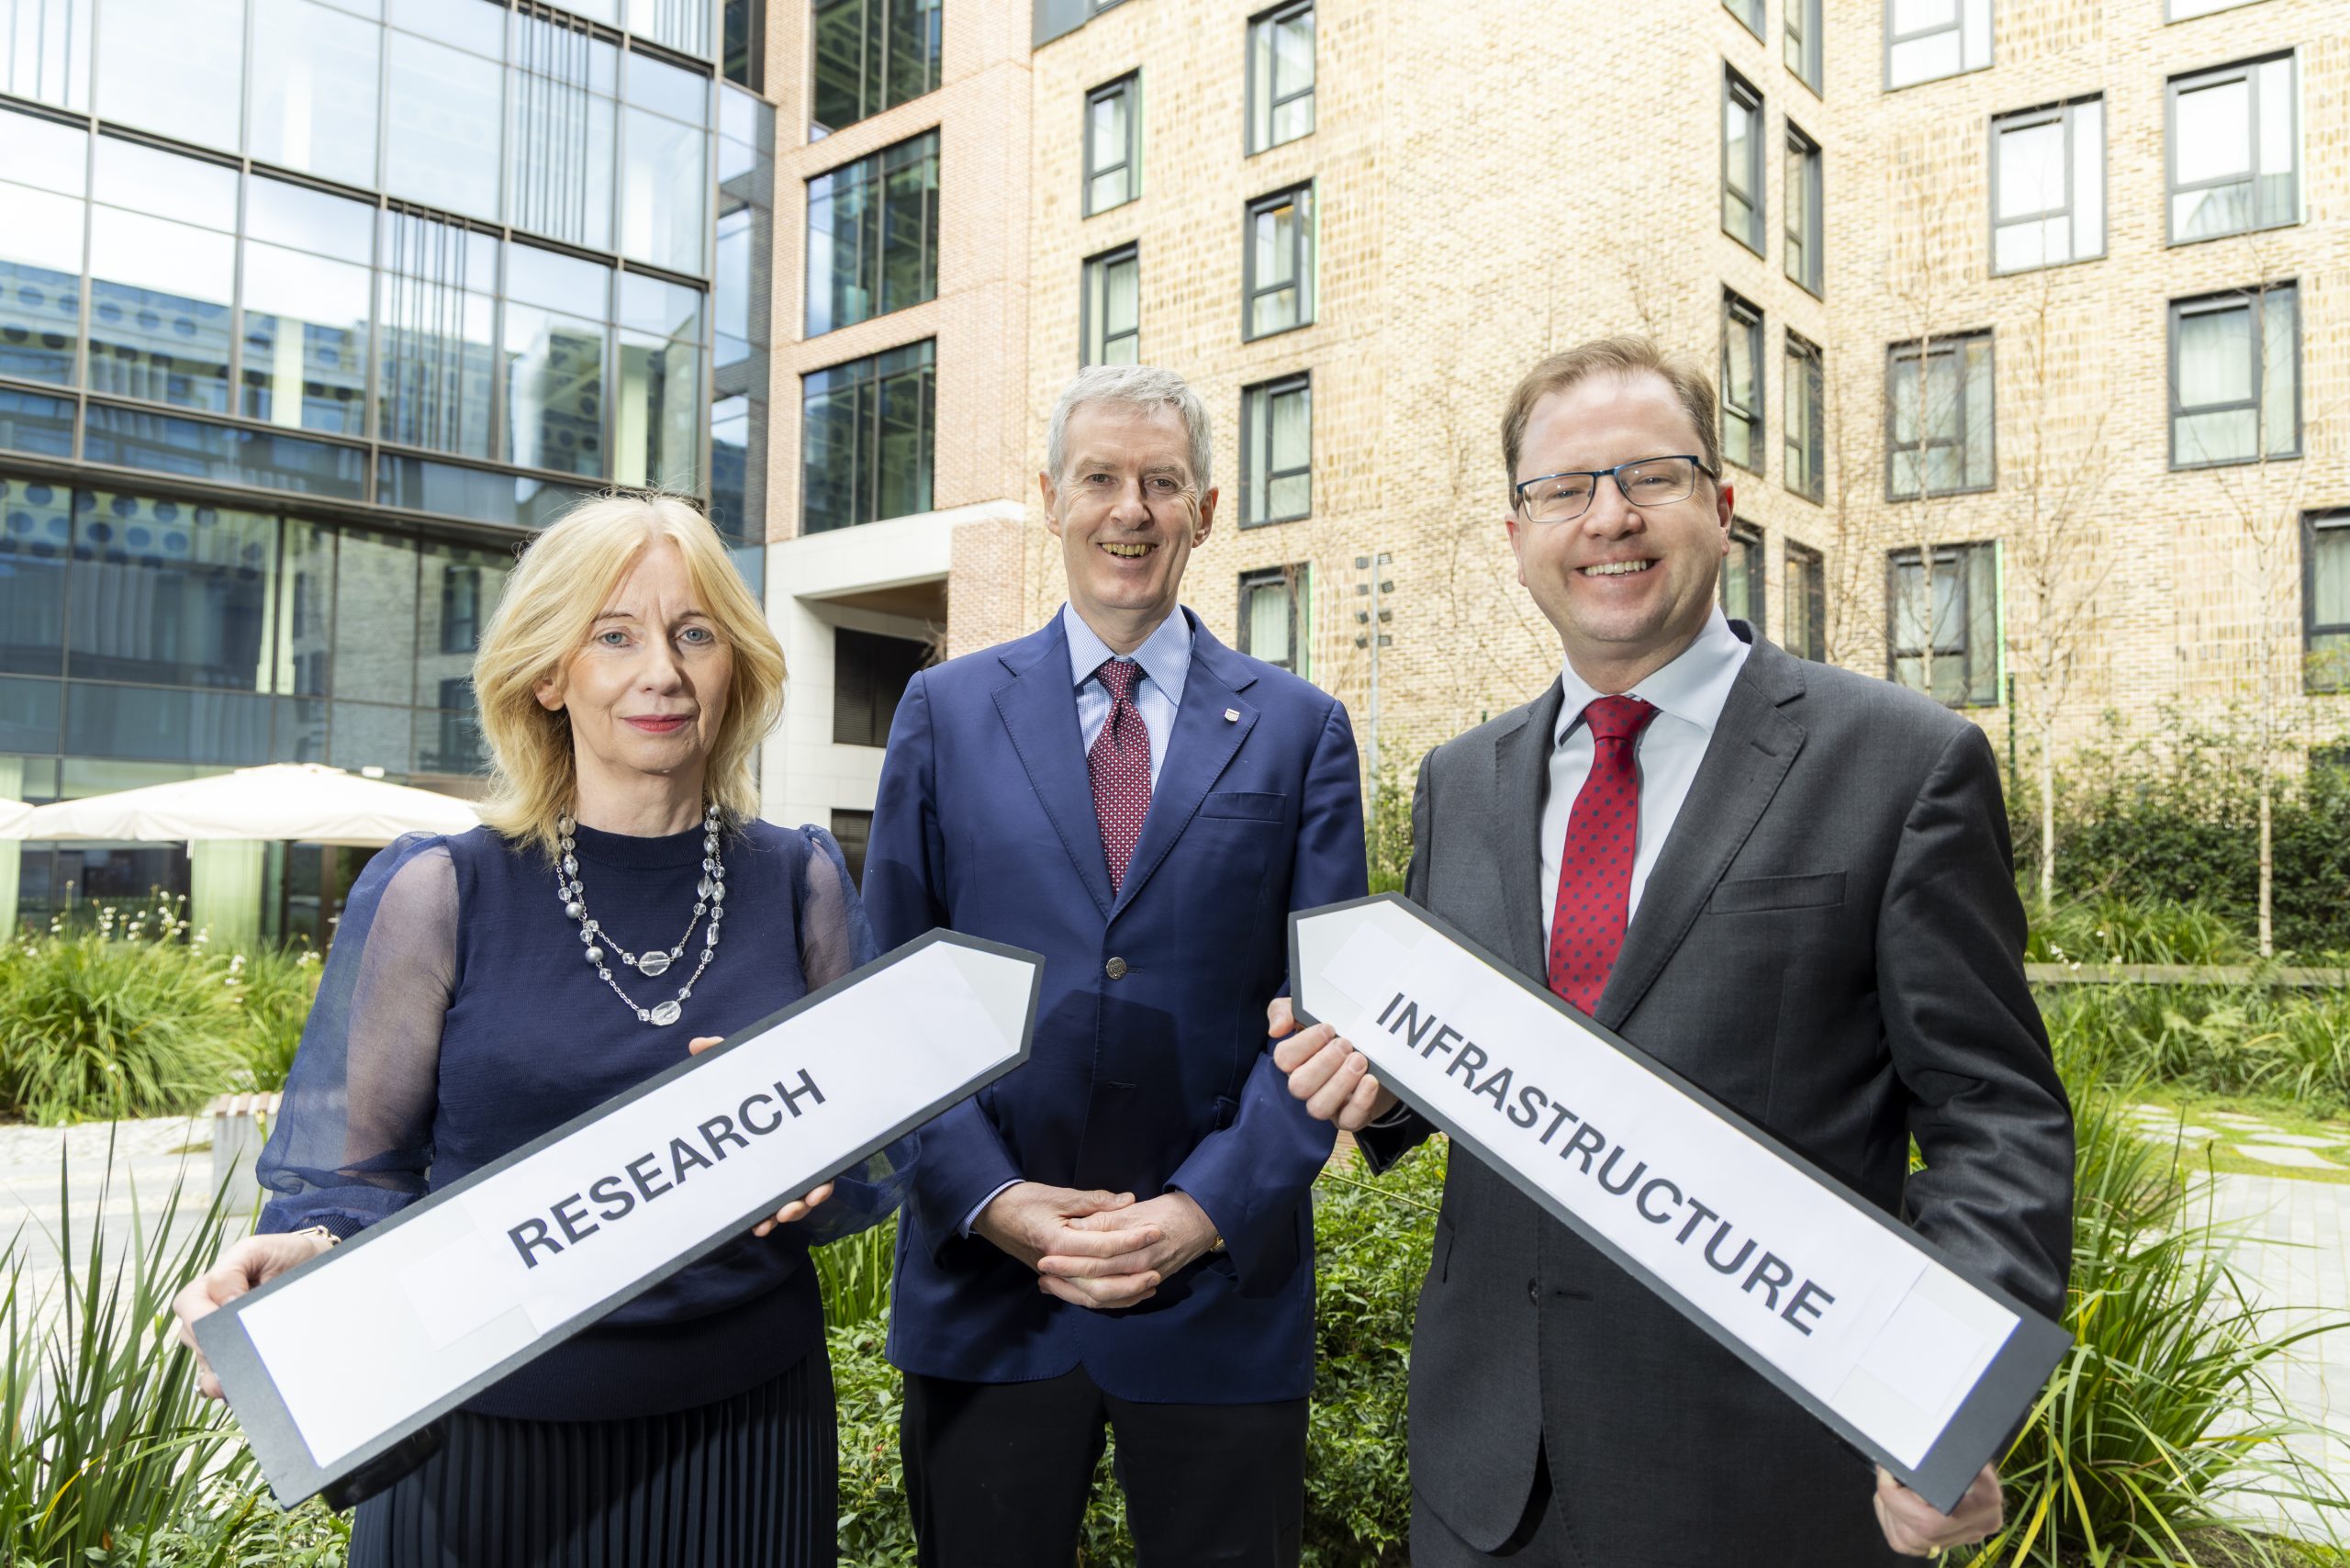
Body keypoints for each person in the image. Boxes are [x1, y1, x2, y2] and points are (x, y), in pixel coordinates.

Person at [1270, 336, 2073, 1565]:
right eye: (1563, 488)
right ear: (1517, 535)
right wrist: (1376, 1085)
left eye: (1651, 475)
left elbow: (1994, 1116)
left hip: (1768, 1487)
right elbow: (1473, 1061)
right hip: (1490, 1480)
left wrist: (1945, 1406)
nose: (1609, 518)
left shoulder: (1903, 764)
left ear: (1722, 506)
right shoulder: (1459, 780)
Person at [173, 494, 907, 1567]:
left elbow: (871, 1155)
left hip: (749, 1426)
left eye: (693, 633)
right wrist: (312, 1249)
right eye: (614, 636)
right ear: (548, 675)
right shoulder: (438, 889)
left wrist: (812, 1165)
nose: (661, 671)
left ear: (735, 668)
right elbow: (356, 1179)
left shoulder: (802, 879)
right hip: (479, 1438)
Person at [863, 364, 1367, 1567]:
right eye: (1098, 478)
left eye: (1162, 482)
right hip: (987, 1296)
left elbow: (1330, 1015)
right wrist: (995, 1202)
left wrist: (1202, 1212)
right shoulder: (943, 711)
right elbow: (889, 996)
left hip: (1219, 1296)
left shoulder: (1300, 729)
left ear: (1207, 509)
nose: (1129, 509)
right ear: (1050, 498)